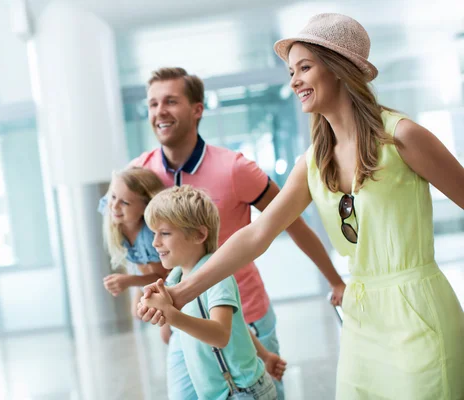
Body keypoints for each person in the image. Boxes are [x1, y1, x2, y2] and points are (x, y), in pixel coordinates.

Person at [140, 13, 464, 400]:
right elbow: (257, 235)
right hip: (363, 322)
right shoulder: (313, 162)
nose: (293, 81)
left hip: (419, 314)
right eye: (291, 71)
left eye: (304, 67)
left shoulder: (402, 137)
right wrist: (181, 293)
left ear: (341, 69)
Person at [125, 66, 345, 400]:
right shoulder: (139, 174)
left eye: (170, 101)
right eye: (153, 104)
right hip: (183, 320)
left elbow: (292, 222)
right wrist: (163, 310)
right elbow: (135, 243)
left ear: (197, 109)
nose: (159, 112)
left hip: (246, 316)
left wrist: (334, 279)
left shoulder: (235, 168)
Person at [143, 185, 285, 399]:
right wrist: (265, 355)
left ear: (199, 234)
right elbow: (238, 325)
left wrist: (173, 316)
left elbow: (221, 334)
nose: (155, 242)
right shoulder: (176, 277)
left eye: (164, 233)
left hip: (242, 392)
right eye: (154, 233)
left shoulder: (217, 276)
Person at [102, 167, 169, 317]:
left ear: (145, 208)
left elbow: (162, 277)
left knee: (164, 330)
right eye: (113, 197)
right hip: (142, 271)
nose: (114, 206)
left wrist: (129, 281)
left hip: (166, 283)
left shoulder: (150, 237)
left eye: (125, 203)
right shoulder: (112, 212)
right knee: (136, 314)